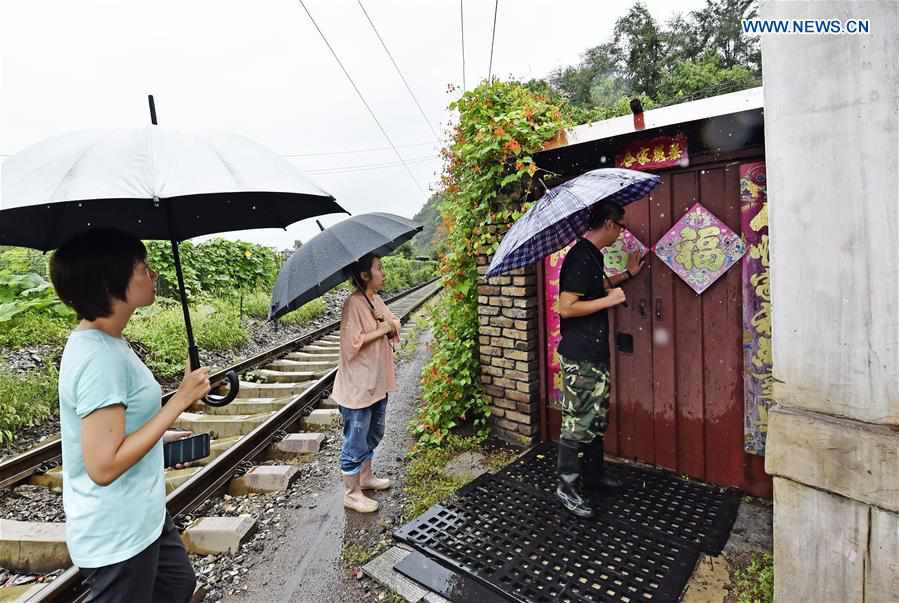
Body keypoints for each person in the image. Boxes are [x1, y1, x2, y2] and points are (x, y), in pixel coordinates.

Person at [50, 228, 211, 602]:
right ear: (112, 281)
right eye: (143, 267)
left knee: (176, 587)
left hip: (143, 516)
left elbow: (116, 429)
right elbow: (103, 467)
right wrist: (178, 402)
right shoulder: (98, 358)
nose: (153, 275)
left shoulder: (110, 342)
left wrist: (163, 429)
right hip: (117, 535)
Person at [555, 202, 645, 518]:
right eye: (620, 225)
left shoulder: (593, 255)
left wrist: (627, 275)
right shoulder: (579, 256)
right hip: (580, 356)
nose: (622, 232)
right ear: (608, 223)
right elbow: (565, 307)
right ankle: (567, 489)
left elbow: (597, 288)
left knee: (594, 420)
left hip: (594, 353)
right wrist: (609, 300)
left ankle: (593, 478)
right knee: (577, 422)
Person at [331, 254, 400, 513]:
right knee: (355, 440)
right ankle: (351, 493)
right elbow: (351, 345)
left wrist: (389, 325)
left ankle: (365, 476)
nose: (384, 273)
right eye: (379, 269)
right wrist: (383, 329)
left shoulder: (376, 300)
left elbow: (394, 322)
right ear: (364, 275)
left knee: (374, 432)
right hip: (358, 387)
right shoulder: (353, 304)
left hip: (377, 382)